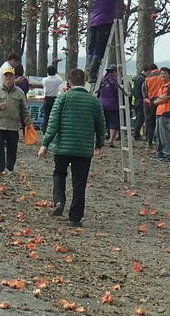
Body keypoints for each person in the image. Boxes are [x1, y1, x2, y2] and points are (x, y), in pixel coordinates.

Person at [38, 68, 106, 228]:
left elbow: (53, 124)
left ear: (69, 82)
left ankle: (59, 201)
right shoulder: (94, 101)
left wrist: (45, 144)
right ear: (84, 82)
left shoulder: (62, 98)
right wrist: (99, 144)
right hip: (83, 149)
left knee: (59, 173)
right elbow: (100, 125)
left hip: (63, 147)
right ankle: (75, 217)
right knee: (79, 182)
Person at [0, 66, 32, 176]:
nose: (8, 78)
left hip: (13, 125)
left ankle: (9, 168)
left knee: (12, 147)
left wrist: (28, 119)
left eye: (10, 76)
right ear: (3, 77)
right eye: (6, 76)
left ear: (14, 77)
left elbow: (24, 108)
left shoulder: (19, 93)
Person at [87, 0, 125, 88]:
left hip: (93, 20)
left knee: (92, 47)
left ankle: (88, 70)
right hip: (105, 20)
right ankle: (93, 74)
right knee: (100, 48)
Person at [145, 66, 170, 161]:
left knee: (164, 134)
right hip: (159, 112)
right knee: (158, 134)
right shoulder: (162, 86)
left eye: (165, 73)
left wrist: (157, 101)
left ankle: (167, 154)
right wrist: (159, 100)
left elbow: (167, 98)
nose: (162, 75)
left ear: (169, 75)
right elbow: (160, 97)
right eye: (161, 73)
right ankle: (160, 153)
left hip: (166, 112)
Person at [96, 66, 121, 146]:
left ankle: (101, 139)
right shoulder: (115, 80)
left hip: (102, 103)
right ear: (114, 72)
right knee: (114, 122)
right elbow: (118, 91)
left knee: (104, 122)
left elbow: (98, 92)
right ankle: (111, 140)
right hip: (113, 104)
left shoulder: (102, 79)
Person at [42, 63, 65, 130]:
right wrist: (56, 74)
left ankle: (44, 128)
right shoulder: (57, 80)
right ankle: (53, 128)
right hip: (55, 98)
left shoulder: (45, 80)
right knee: (54, 114)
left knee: (46, 114)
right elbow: (61, 80)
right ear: (55, 72)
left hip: (47, 98)